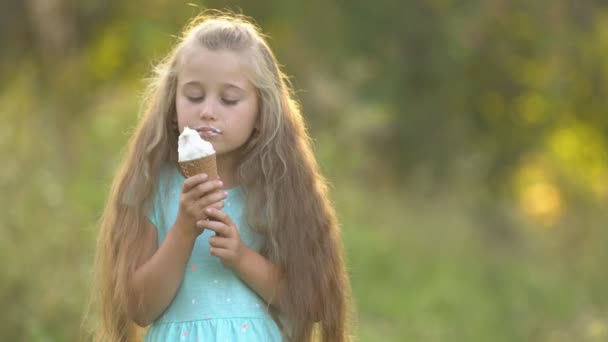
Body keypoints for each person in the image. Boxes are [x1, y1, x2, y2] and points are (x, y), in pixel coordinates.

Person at [90, 11, 351, 342]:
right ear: (171, 106)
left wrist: (242, 257)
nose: (207, 110)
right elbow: (140, 308)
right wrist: (184, 229)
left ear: (261, 112)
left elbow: (312, 303)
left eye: (229, 99)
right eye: (194, 96)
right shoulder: (153, 187)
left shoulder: (274, 190)